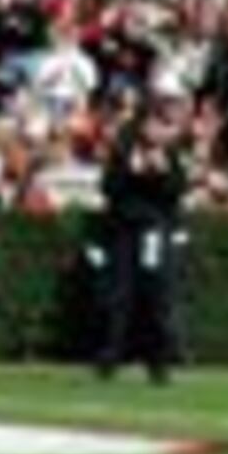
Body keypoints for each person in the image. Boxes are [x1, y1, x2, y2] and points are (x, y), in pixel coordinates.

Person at [85, 103, 190, 382]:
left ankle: (159, 360)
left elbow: (177, 193)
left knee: (157, 296)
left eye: (163, 125)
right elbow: (109, 189)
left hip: (154, 232)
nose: (159, 131)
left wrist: (162, 173)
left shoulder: (170, 156)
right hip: (124, 233)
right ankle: (109, 356)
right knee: (118, 296)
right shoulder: (123, 153)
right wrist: (132, 172)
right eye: (155, 124)